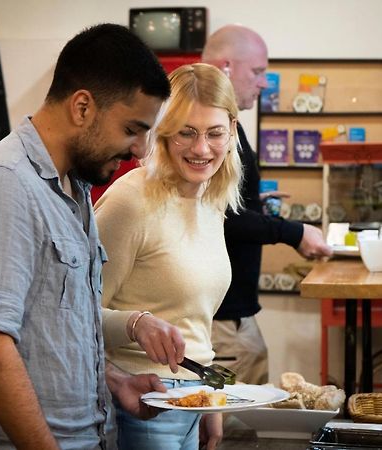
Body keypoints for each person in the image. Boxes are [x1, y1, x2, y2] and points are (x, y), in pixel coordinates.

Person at [0, 23, 172, 449]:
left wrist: (113, 381)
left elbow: (52, 326)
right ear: (82, 107)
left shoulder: (75, 189)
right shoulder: (4, 181)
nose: (140, 149)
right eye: (132, 129)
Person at [94, 63, 243, 450]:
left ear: (232, 132)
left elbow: (195, 320)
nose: (200, 148)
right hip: (142, 397)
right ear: (162, 131)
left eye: (214, 134)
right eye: (186, 133)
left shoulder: (212, 200)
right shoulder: (131, 200)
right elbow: (73, 314)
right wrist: (136, 323)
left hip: (193, 396)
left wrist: (211, 402)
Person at [201, 24, 333, 385]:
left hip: (232, 310)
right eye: (257, 72)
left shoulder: (230, 123)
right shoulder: (209, 126)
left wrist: (250, 201)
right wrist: (294, 232)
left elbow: (216, 203)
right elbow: (221, 216)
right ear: (226, 67)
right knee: (233, 431)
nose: (264, 83)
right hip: (221, 315)